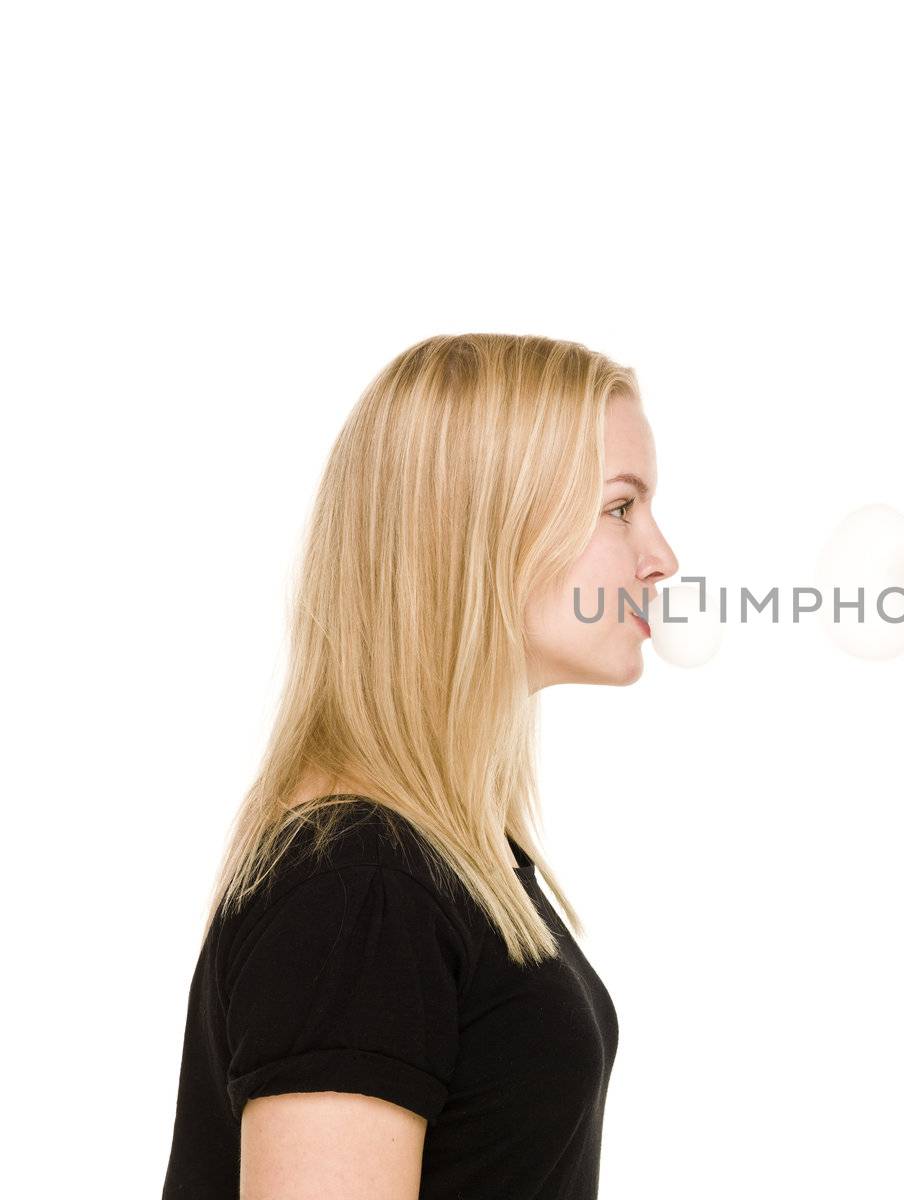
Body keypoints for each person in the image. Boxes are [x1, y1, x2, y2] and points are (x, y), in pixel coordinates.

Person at [161, 333, 678, 1198]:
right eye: (621, 507)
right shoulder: (357, 890)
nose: (660, 556)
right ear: (486, 525)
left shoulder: (435, 865)